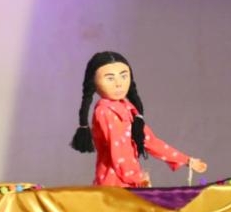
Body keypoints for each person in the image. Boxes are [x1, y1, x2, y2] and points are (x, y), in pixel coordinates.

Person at [70, 51, 208, 187]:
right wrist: (136, 177)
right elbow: (119, 150)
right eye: (110, 78)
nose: (119, 83)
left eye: (124, 76)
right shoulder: (105, 111)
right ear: (94, 83)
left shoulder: (128, 109)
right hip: (114, 183)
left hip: (129, 181)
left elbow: (150, 141)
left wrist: (186, 160)